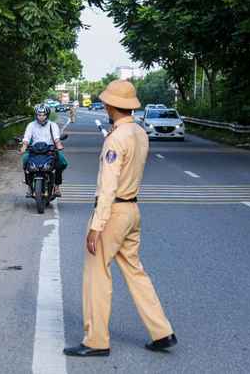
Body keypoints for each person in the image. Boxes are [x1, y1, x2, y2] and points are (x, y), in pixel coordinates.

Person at [63, 80, 176, 357]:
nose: (104, 105)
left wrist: (96, 225)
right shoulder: (139, 132)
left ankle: (96, 340)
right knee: (135, 272)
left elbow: (109, 186)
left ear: (112, 106)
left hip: (113, 212)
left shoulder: (116, 137)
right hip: (132, 211)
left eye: (107, 102)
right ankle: (162, 332)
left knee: (96, 275)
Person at [20, 104, 66, 197]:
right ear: (36, 115)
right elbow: (27, 137)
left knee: (59, 162)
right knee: (26, 161)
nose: (41, 117)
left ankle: (57, 187)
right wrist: (24, 146)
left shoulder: (52, 125)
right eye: (39, 115)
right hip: (35, 149)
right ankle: (29, 187)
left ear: (47, 115)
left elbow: (57, 137)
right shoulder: (31, 125)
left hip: (50, 149)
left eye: (43, 115)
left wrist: (59, 145)